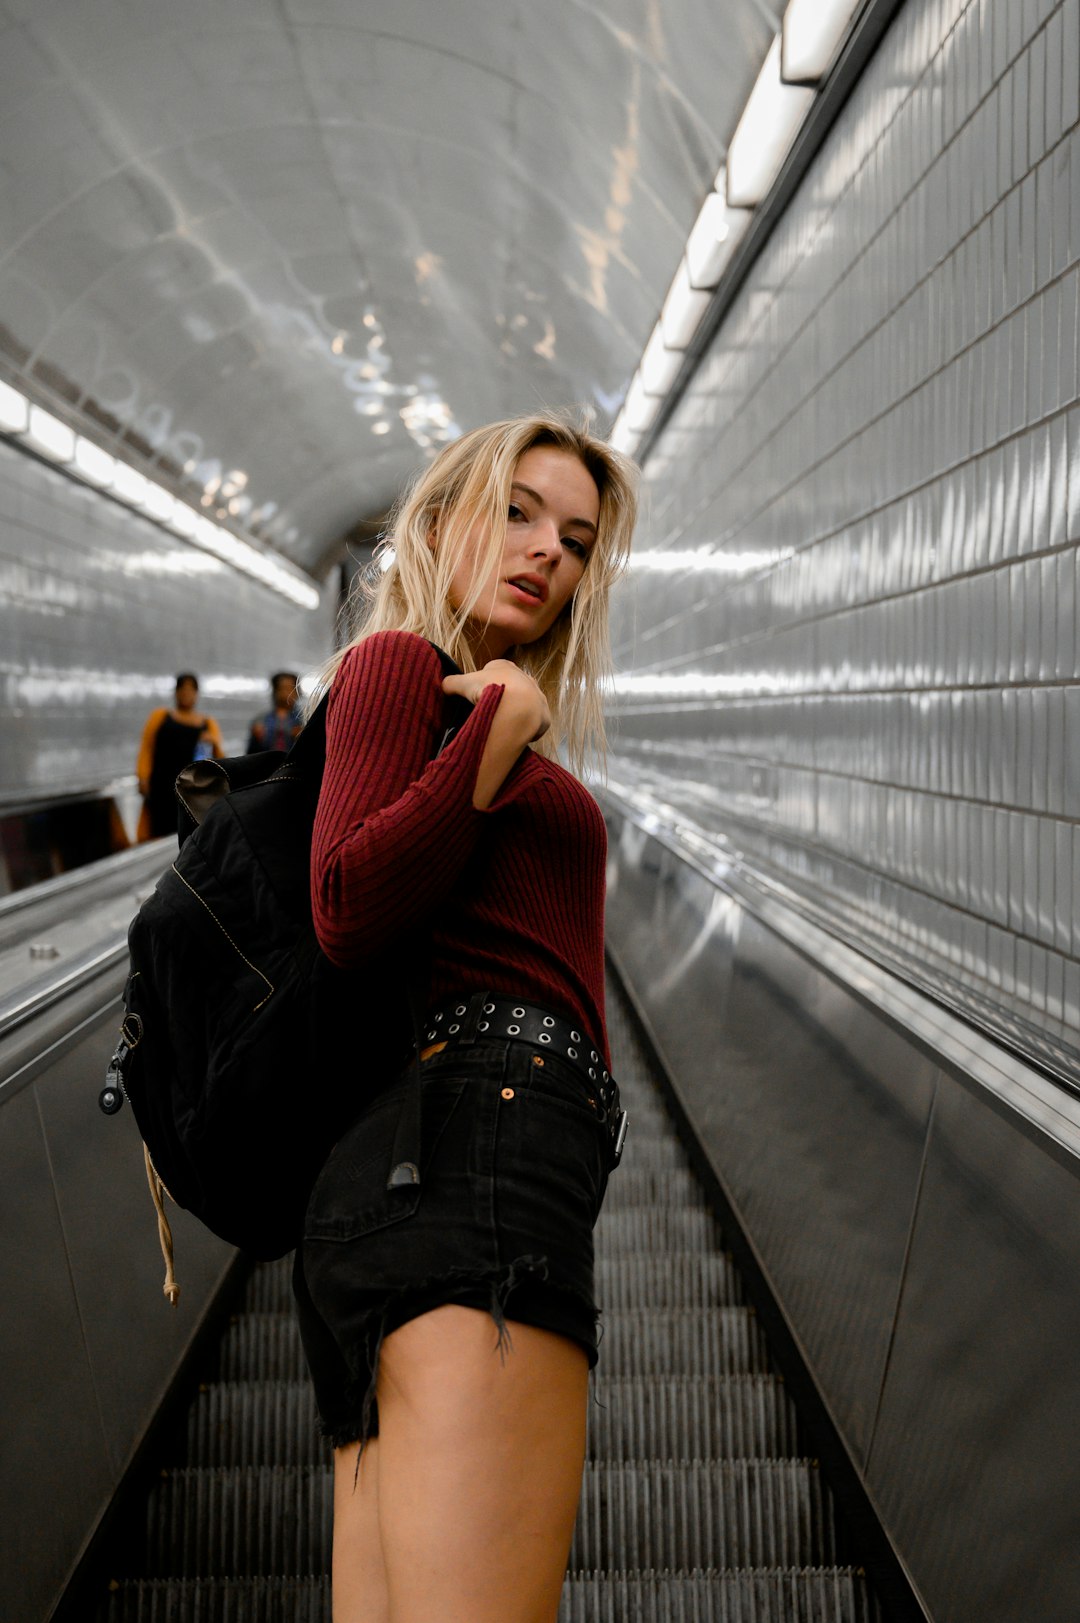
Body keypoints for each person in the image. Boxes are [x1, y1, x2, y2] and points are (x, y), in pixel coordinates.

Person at [294, 411, 637, 1622]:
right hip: (473, 1163)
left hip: (408, 1183)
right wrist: (497, 726)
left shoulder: (444, 696)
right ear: (438, 525)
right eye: (516, 511)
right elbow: (350, 901)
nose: (550, 551)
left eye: (579, 538)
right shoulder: (401, 669)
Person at [136, 673, 223, 841]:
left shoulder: (207, 723)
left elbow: (220, 759)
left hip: (190, 792)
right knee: (158, 832)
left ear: (196, 694)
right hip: (161, 787)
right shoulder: (160, 717)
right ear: (176, 693)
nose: (186, 694)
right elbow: (146, 748)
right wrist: (143, 777)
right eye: (182, 690)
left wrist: (213, 742)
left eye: (191, 691)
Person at [246, 670, 304, 753]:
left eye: (290, 689)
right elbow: (251, 752)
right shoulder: (261, 720)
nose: (285, 693)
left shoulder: (304, 720)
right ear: (275, 691)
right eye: (282, 688)